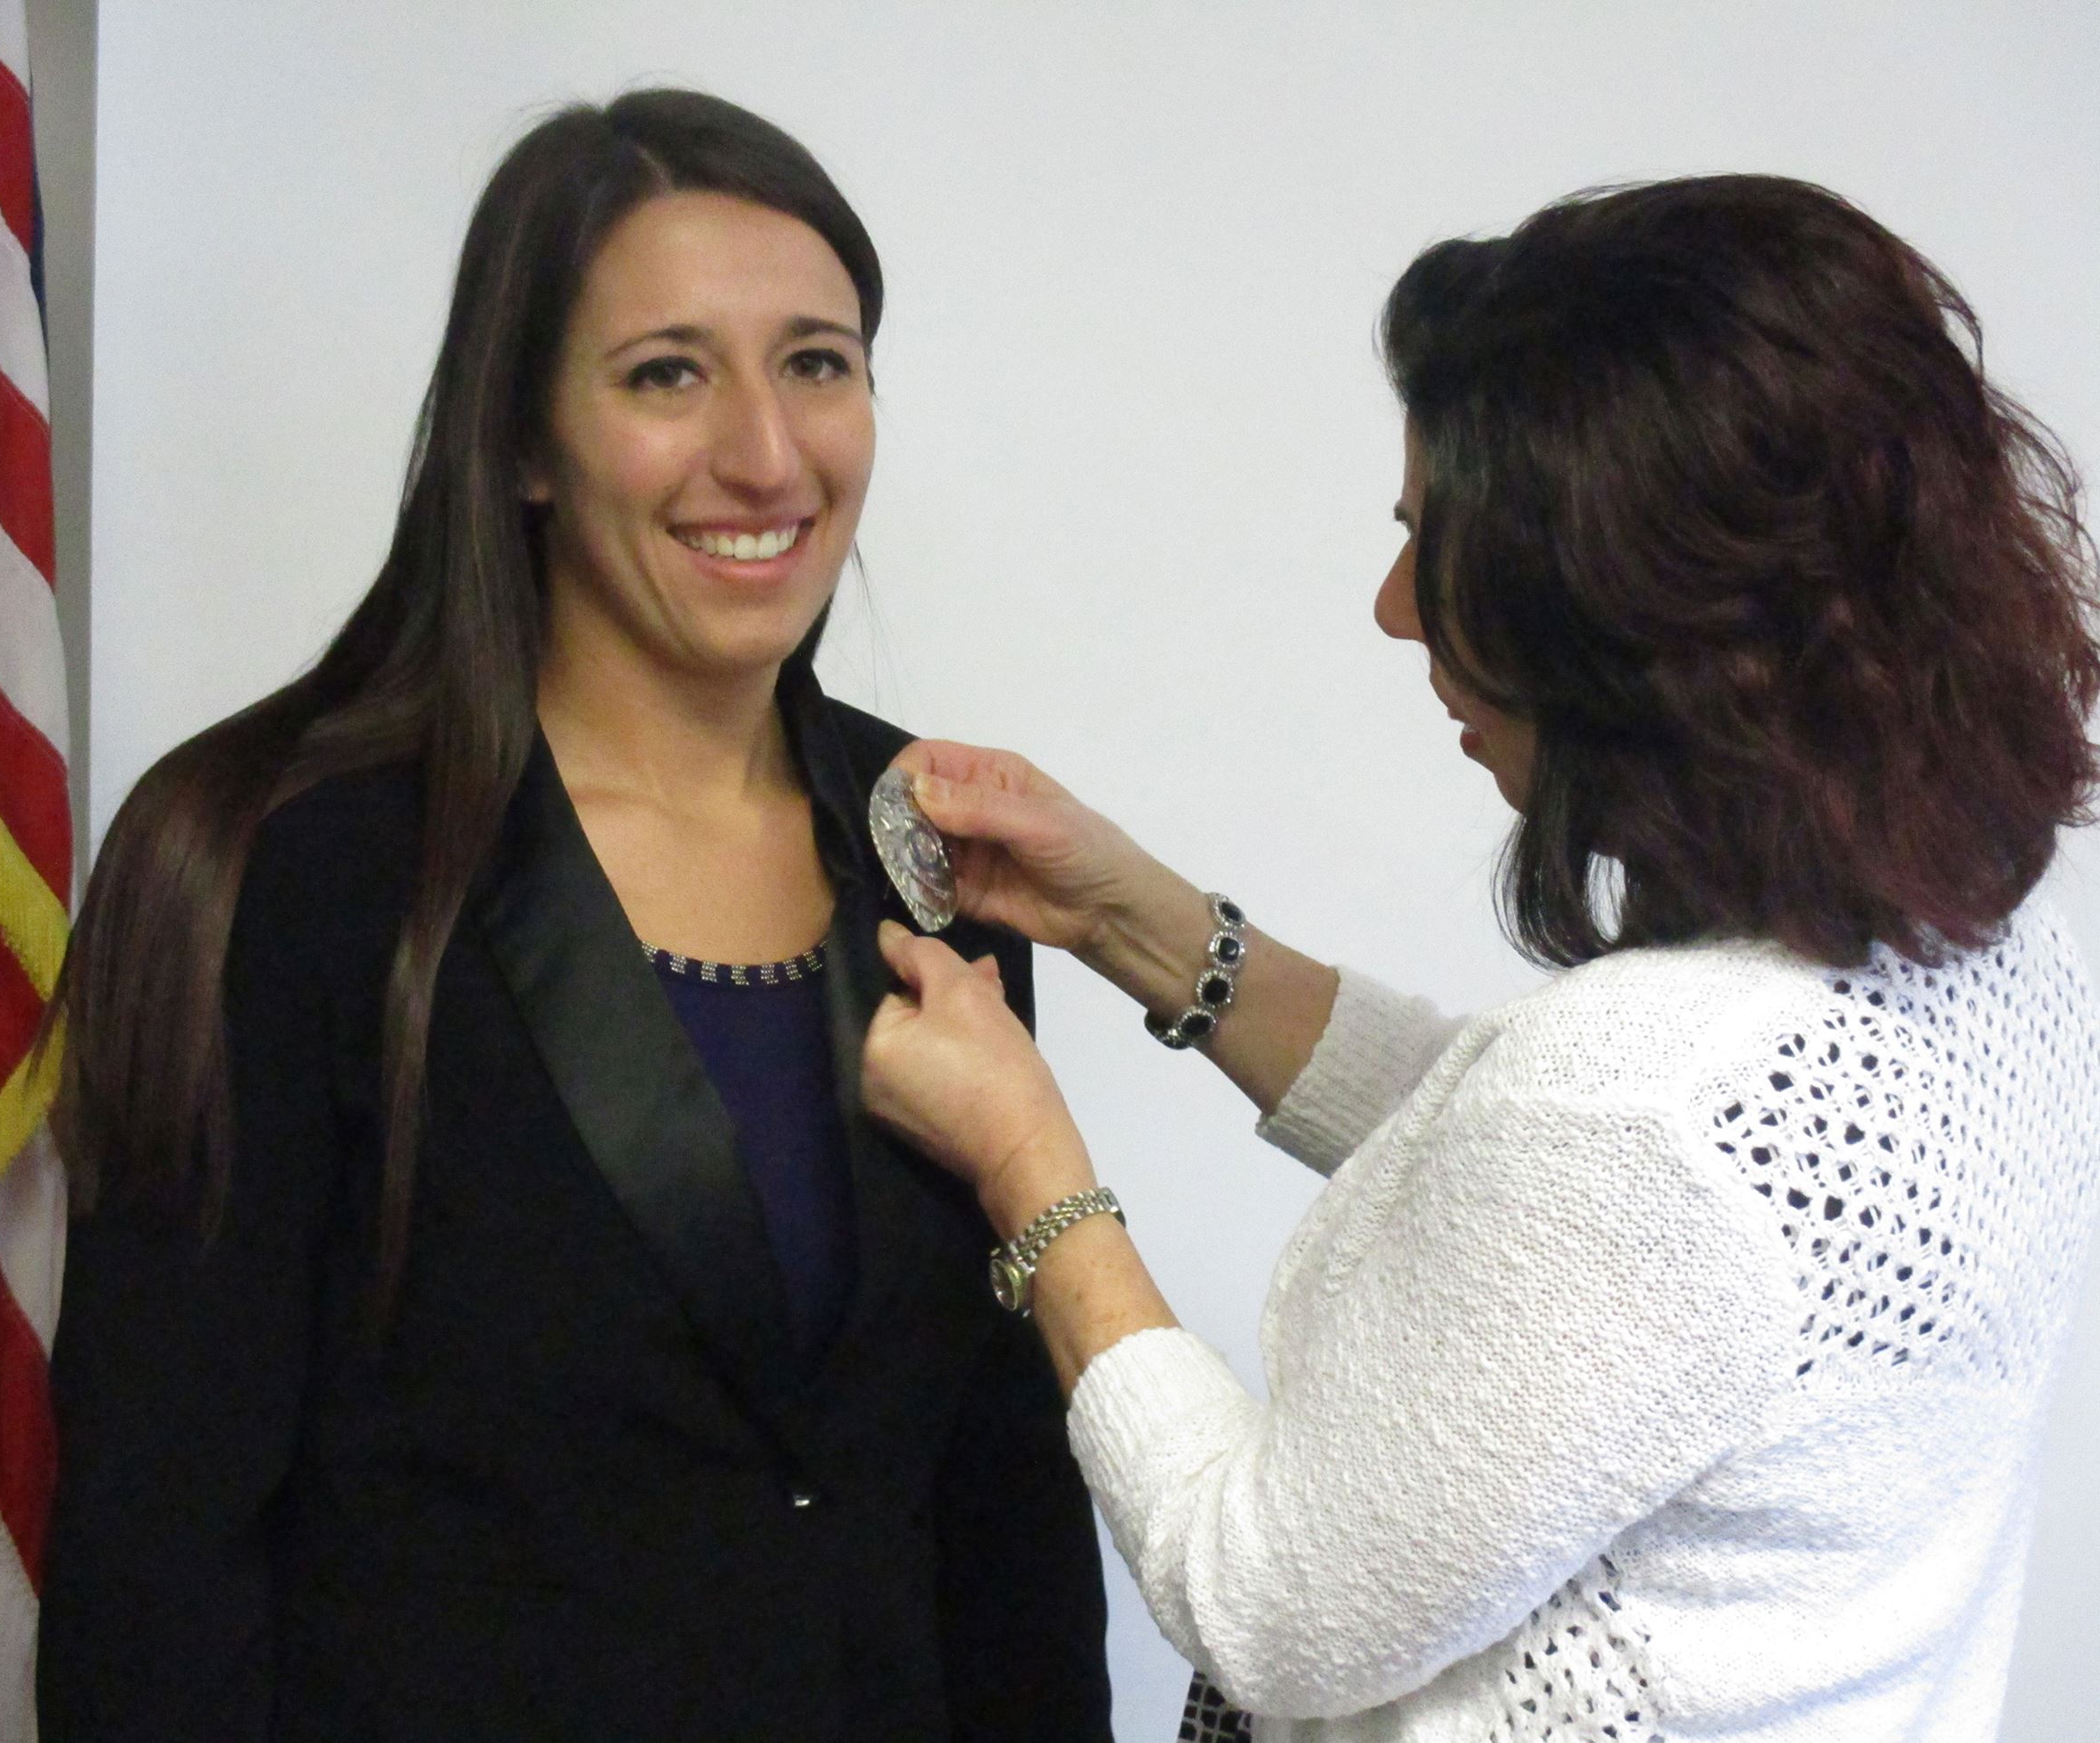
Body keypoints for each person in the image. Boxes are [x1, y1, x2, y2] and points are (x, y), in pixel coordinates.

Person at [861, 173, 2100, 1743]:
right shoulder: (1988, 951)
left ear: (1614, 619)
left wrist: (1028, 1163)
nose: (1393, 612)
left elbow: (1264, 1593)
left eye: (1431, 552)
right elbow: (1551, 1234)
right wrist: (1130, 919)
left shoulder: (1634, 1127)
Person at [36, 90, 1111, 1742]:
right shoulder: (272, 857)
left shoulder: (938, 846)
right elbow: (159, 1566)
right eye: (667, 372)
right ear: (523, 439)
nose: (765, 452)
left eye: (817, 361)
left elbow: (1001, 1511)